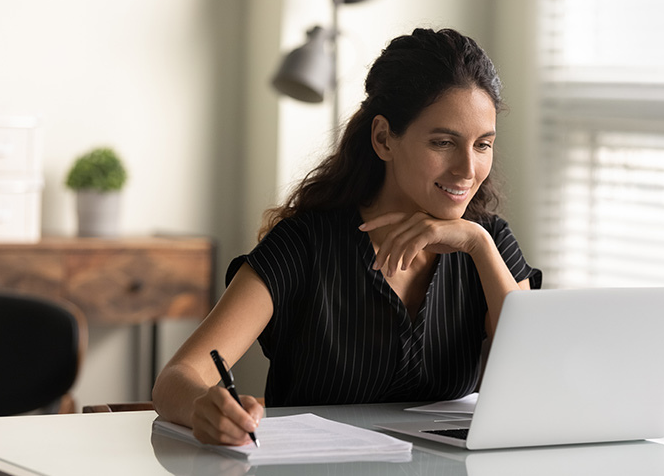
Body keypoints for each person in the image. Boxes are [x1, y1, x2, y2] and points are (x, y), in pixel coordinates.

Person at [152, 27, 542, 446]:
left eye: (483, 145)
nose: (467, 170)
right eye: (443, 142)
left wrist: (478, 245)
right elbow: (178, 378)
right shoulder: (306, 244)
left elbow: (535, 374)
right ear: (383, 139)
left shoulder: (488, 242)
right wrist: (203, 408)